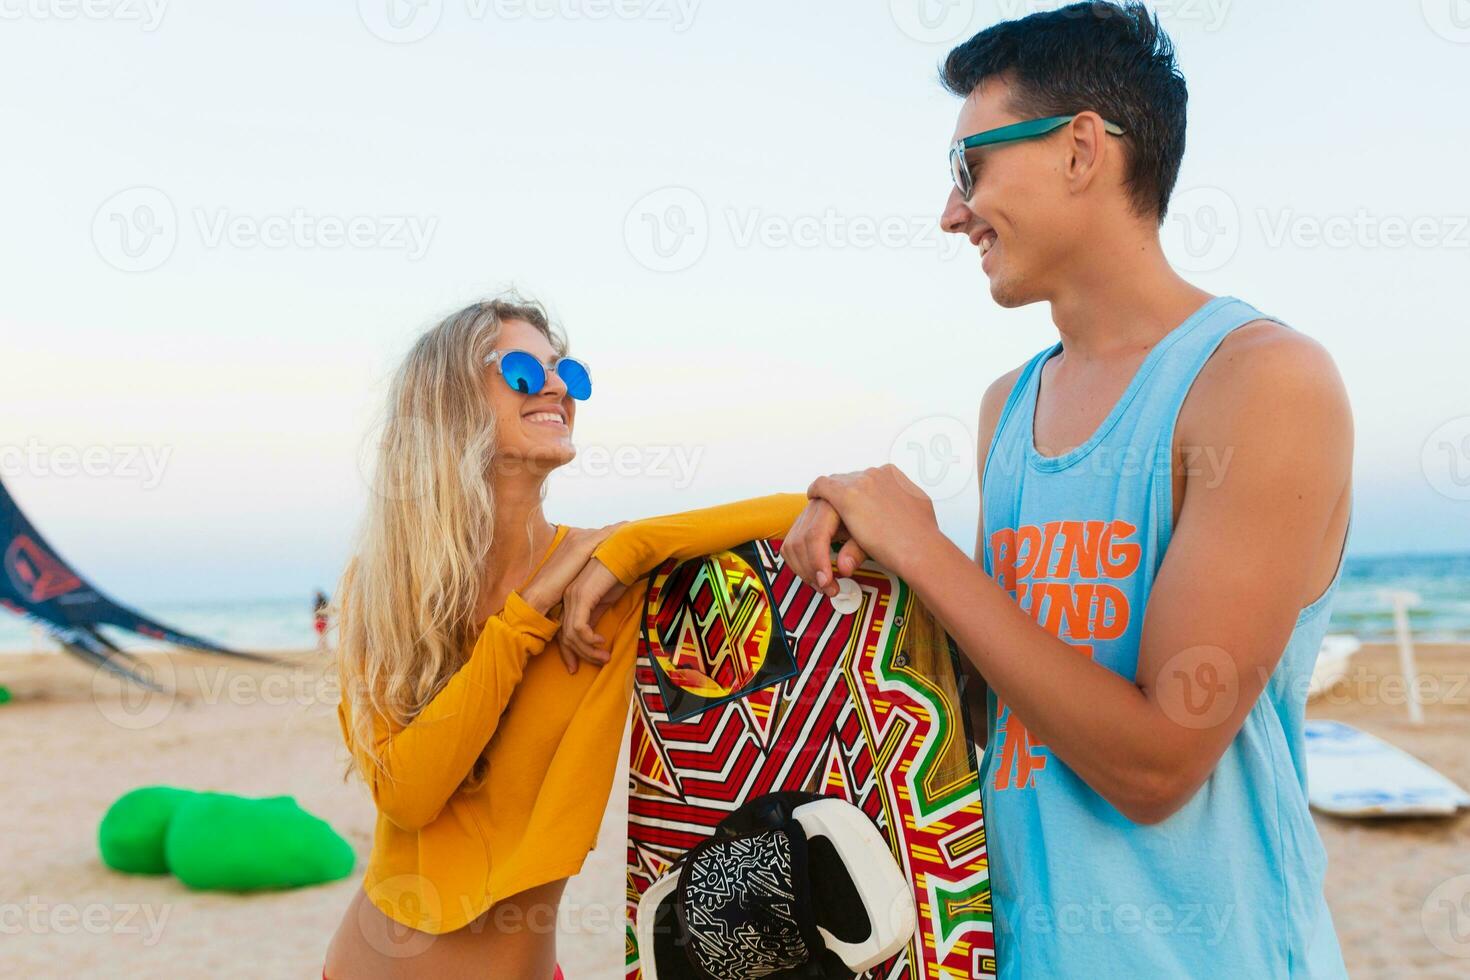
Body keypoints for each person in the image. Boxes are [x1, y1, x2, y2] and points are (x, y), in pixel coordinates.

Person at [777, 5, 1352, 977]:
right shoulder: (1007, 407)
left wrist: (923, 546)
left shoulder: (1260, 381)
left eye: (969, 169)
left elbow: (1157, 763)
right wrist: (868, 563)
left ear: (1083, 149)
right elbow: (1006, 688)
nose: (951, 212)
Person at [323, 296, 803, 978]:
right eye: (522, 370)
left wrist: (633, 541)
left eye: (566, 373)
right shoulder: (385, 588)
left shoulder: (605, 582)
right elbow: (409, 794)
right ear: (448, 401)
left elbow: (805, 512)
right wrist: (526, 617)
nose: (555, 388)